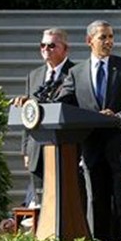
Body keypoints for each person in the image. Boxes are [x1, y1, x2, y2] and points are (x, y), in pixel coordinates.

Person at [55, 20, 121, 241]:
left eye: (111, 37)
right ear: (89, 41)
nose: (109, 42)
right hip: (91, 146)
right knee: (96, 199)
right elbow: (63, 103)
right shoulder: (76, 72)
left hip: (119, 144)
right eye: (103, 37)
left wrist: (118, 117)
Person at [14, 28, 75, 207]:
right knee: (40, 200)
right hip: (36, 148)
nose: (45, 49)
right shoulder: (34, 75)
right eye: (43, 45)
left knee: (63, 201)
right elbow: (28, 115)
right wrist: (25, 149)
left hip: (63, 148)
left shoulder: (75, 73)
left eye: (51, 45)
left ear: (65, 49)